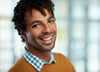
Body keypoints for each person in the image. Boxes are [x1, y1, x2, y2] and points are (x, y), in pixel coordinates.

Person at [8, 0, 75, 72]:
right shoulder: (16, 70)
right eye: (36, 25)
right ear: (23, 33)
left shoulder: (64, 62)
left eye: (50, 21)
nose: (47, 30)